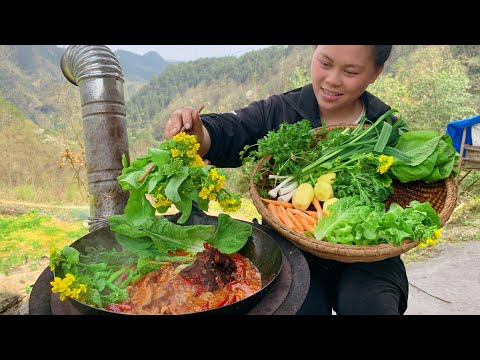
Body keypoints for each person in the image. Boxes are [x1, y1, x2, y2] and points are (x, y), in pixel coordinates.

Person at [163, 45, 408, 315]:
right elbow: (233, 130)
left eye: (350, 71)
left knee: (370, 306)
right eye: (325, 63)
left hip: (368, 253)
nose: (332, 79)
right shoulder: (281, 111)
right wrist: (200, 134)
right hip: (288, 250)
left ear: (376, 72)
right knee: (298, 307)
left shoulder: (387, 130)